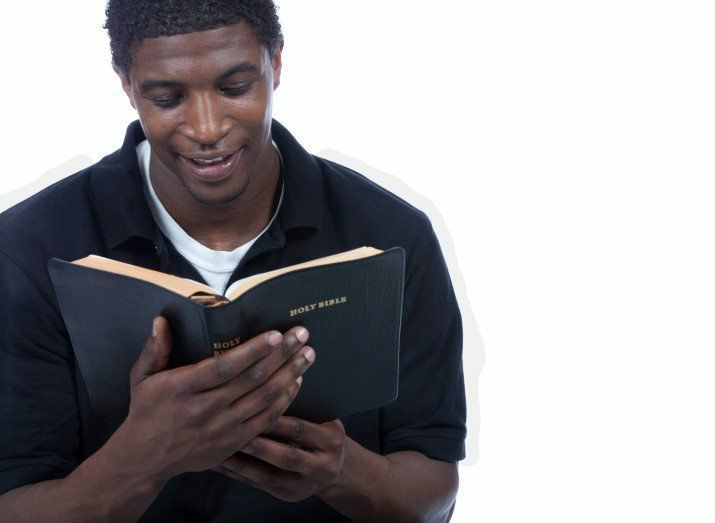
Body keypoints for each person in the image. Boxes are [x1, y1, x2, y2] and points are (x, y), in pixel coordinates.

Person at [0, 1, 466, 521]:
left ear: (276, 63)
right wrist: (139, 461)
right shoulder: (26, 250)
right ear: (126, 84)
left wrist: (342, 471)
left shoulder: (392, 236)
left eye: (236, 87)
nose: (206, 128)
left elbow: (435, 491)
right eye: (167, 98)